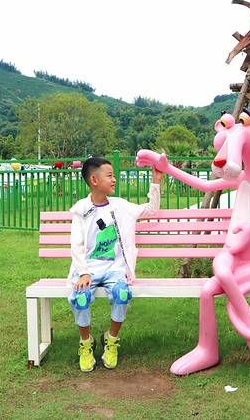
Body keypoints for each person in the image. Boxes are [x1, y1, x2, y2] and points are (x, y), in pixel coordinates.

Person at [68, 157, 162, 372]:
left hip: (115, 269)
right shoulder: (81, 210)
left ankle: (111, 340)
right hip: (88, 269)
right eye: (109, 175)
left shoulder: (121, 206)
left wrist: (156, 181)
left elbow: (151, 210)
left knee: (122, 294)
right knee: (80, 297)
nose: (114, 179)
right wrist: (83, 273)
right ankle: (86, 343)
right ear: (94, 180)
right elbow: (77, 245)